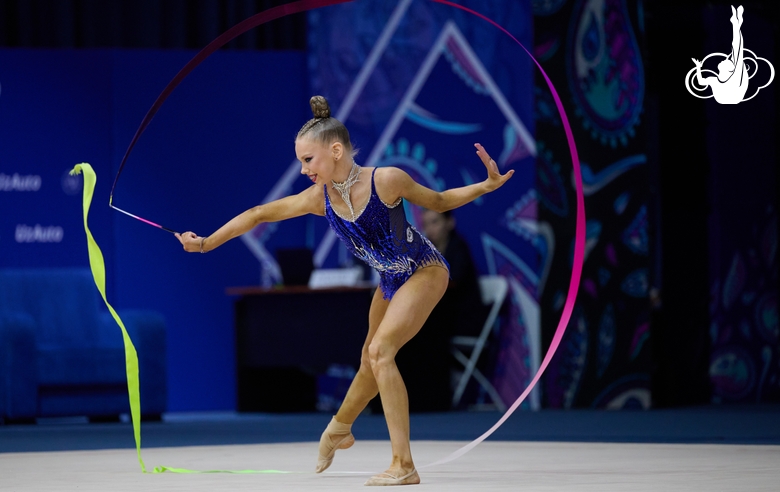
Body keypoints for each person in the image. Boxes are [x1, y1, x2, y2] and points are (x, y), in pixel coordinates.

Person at [175, 95, 513, 486]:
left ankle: (403, 464)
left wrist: (486, 185)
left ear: (335, 151)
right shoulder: (319, 199)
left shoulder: (386, 180)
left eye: (308, 160)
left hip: (424, 269)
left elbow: (438, 201)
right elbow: (258, 214)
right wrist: (206, 243)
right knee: (369, 361)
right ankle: (339, 428)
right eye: (301, 161)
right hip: (389, 279)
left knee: (381, 352)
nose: (303, 170)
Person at [692, 5, 748, 104]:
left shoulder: (722, 79)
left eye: (728, 61)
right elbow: (701, 82)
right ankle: (736, 24)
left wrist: (698, 67)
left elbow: (701, 81)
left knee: (737, 51)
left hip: (732, 96)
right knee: (737, 51)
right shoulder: (718, 80)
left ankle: (736, 24)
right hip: (731, 96)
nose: (726, 59)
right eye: (729, 61)